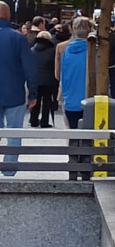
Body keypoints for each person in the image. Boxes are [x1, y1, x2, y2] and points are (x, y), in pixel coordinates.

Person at [0, 2, 36, 176]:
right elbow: (29, 68)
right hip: (14, 92)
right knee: (14, 133)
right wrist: (33, 93)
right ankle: (8, 170)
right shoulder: (18, 38)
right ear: (8, 16)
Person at [57, 17, 92, 180]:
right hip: (88, 100)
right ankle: (85, 171)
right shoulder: (93, 51)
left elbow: (59, 76)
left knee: (72, 135)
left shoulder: (64, 50)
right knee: (86, 137)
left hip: (69, 99)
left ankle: (72, 171)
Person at [30, 31, 59, 128]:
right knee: (47, 101)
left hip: (35, 79)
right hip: (48, 80)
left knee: (36, 100)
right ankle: (44, 122)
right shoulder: (52, 51)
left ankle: (33, 120)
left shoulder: (32, 50)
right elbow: (54, 65)